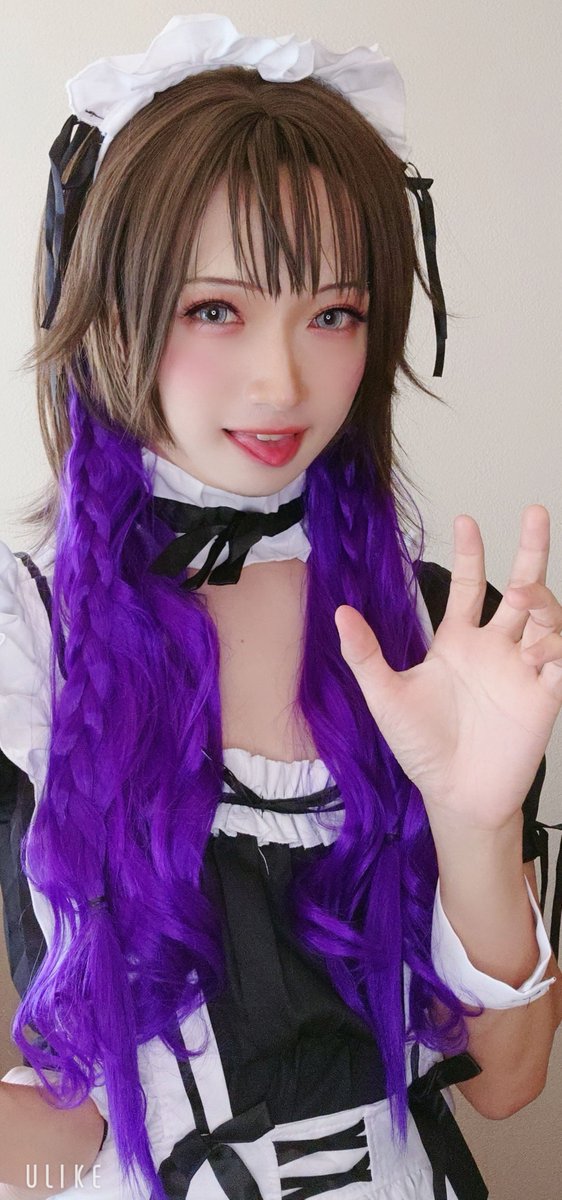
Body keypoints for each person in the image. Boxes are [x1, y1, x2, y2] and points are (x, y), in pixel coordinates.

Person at [0, 13, 561, 1200]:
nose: (282, 379)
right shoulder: (24, 643)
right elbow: (55, 1125)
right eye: (216, 309)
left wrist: (474, 821)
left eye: (333, 313)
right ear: (107, 308)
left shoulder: (433, 635)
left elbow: (507, 1081)